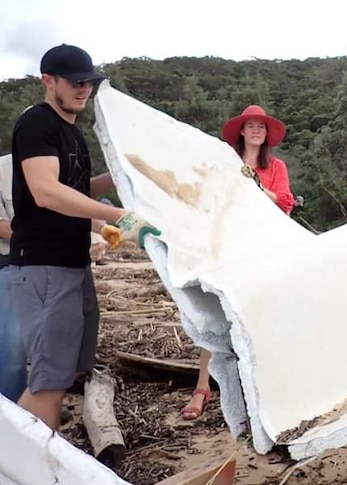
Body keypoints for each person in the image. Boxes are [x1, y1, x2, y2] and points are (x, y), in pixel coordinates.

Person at [10, 44, 159, 430]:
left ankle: (30, 452)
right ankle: (28, 466)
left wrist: (125, 173)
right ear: (48, 81)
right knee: (49, 382)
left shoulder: (71, 133)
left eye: (89, 83)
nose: (84, 90)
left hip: (73, 264)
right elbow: (45, 191)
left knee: (69, 371)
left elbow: (77, 189)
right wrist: (118, 216)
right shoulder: (37, 123)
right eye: (75, 83)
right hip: (44, 266)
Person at [180, 105, 296, 420]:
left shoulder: (276, 167)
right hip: (225, 245)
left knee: (260, 315)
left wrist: (257, 187)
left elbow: (285, 203)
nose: (256, 130)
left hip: (262, 247)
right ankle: (202, 387)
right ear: (241, 132)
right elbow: (211, 200)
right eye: (251, 126)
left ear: (267, 133)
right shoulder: (225, 164)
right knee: (215, 317)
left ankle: (263, 391)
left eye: (261, 126)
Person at [0, 154, 26, 403]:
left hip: (45, 266)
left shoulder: (57, 167)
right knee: (12, 347)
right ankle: (11, 411)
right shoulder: (3, 170)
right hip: (8, 266)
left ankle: (33, 402)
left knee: (37, 342)